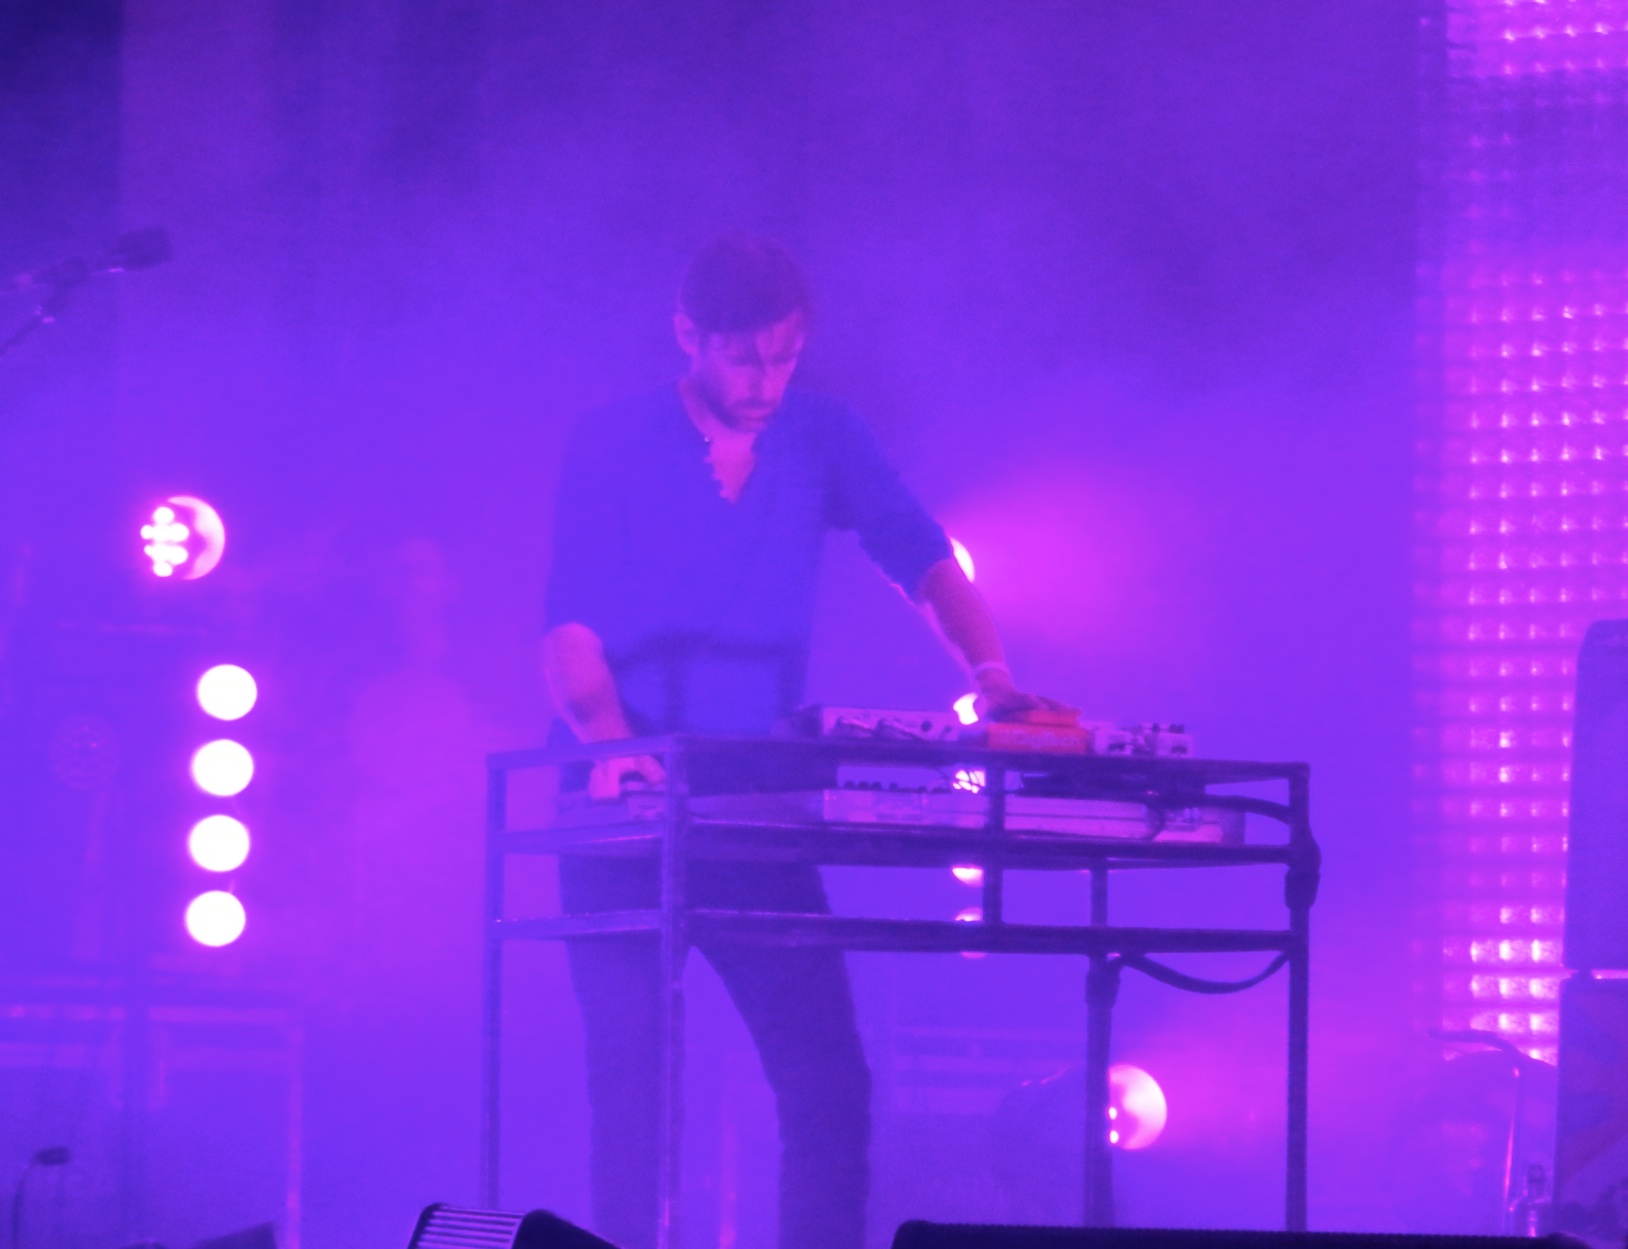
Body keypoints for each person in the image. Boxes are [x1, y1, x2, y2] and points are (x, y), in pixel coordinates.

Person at [541, 232, 1067, 1249]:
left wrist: (993, 678)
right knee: (634, 1092)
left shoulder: (824, 434)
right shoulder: (612, 439)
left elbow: (922, 558)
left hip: (755, 801)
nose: (767, 382)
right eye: (746, 358)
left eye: (786, 357)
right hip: (619, 809)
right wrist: (609, 743)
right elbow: (566, 624)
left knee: (826, 1079)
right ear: (689, 335)